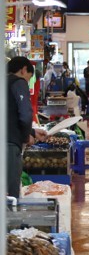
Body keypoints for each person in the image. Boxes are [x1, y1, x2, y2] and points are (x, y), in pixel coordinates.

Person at [7, 57, 47, 198]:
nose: (28, 81)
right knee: (10, 194)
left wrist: (32, 131)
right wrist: (26, 137)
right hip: (9, 145)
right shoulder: (18, 82)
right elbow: (25, 114)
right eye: (29, 77)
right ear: (24, 70)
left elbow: (10, 116)